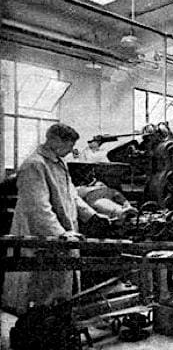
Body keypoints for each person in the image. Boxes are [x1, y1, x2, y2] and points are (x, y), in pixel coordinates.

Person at [1, 123, 110, 315]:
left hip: (61, 235)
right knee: (38, 295)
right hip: (40, 236)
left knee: (57, 293)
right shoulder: (34, 164)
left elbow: (72, 195)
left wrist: (92, 215)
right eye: (69, 145)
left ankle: (54, 326)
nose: (71, 150)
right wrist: (61, 235)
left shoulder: (59, 163)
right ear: (54, 140)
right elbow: (38, 209)